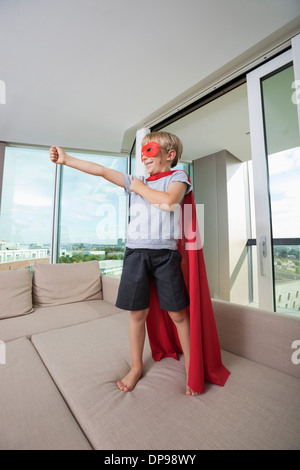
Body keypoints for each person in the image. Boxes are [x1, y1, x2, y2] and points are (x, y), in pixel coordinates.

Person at [49, 132, 230, 396]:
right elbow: (101, 171)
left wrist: (137, 187)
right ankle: (136, 367)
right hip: (136, 254)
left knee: (178, 314)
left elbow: (168, 202)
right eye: (142, 151)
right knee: (137, 314)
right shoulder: (138, 180)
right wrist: (66, 159)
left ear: (169, 155)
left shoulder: (177, 177)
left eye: (150, 150)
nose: (144, 156)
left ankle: (193, 366)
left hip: (166, 256)